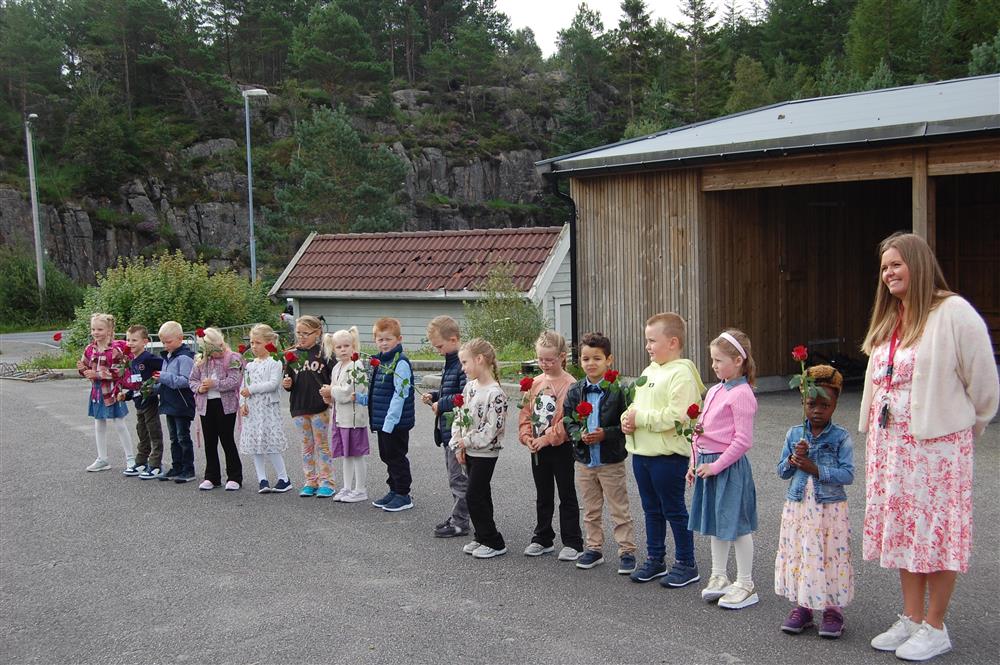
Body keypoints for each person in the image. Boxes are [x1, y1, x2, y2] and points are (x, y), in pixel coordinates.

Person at [860, 232, 998, 661]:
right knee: (906, 532)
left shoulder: (953, 312)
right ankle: (911, 618)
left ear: (918, 265)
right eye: (884, 268)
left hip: (937, 451)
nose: (889, 273)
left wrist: (959, 429)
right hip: (892, 449)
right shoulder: (892, 318)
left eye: (896, 264)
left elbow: (984, 386)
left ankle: (935, 625)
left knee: (936, 535)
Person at [622, 312, 705, 586]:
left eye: (651, 341)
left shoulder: (682, 374)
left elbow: (676, 415)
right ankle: (656, 559)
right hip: (642, 454)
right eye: (647, 340)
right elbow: (638, 403)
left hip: (668, 456)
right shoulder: (649, 370)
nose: (647, 346)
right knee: (651, 509)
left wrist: (640, 419)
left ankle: (686, 563)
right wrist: (628, 417)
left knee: (674, 509)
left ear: (672, 342)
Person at [775, 365, 854, 638]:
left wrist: (815, 469)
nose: (817, 410)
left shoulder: (841, 437)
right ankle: (804, 607)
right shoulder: (794, 434)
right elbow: (782, 472)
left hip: (830, 509)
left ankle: (833, 610)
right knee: (803, 553)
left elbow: (848, 474)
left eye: (825, 405)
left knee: (829, 554)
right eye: (811, 404)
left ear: (835, 406)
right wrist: (792, 460)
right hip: (799, 506)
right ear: (802, 402)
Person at [688, 328, 760, 608]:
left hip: (727, 467)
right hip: (709, 465)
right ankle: (719, 576)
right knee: (717, 524)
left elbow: (742, 441)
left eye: (719, 360)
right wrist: (694, 462)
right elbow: (700, 431)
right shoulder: (716, 389)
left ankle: (745, 582)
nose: (714, 365)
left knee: (738, 526)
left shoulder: (742, 393)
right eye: (713, 360)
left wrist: (716, 466)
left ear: (738, 361)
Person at [562, 332, 636, 574]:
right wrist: (578, 435)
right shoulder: (575, 391)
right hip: (585, 461)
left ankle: (627, 550)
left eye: (597, 358)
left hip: (610, 460)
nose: (590, 363)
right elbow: (568, 420)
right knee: (591, 509)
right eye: (585, 359)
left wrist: (607, 434)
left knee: (619, 508)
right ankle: (593, 548)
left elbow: (625, 425)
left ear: (609, 360)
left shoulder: (618, 391)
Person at [518, 330, 584, 562]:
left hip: (560, 447)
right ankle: (542, 537)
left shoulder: (570, 385)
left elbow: (568, 420)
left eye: (550, 359)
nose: (544, 364)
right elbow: (526, 413)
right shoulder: (535, 383)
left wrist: (547, 438)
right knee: (543, 494)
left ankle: (573, 541)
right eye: (540, 359)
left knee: (566, 494)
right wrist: (527, 436)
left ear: (562, 357)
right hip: (538, 447)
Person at [452, 338, 509, 559]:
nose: (463, 368)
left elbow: (491, 430)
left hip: (486, 452)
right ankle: (482, 536)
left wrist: (466, 441)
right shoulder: (471, 387)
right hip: (469, 450)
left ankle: (494, 541)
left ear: (480, 359)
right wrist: (458, 442)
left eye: (465, 362)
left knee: (473, 494)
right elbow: (460, 416)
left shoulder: (496, 394)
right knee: (482, 494)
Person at [359, 317, 416, 512]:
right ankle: (393, 489)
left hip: (395, 422)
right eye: (380, 339)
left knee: (396, 456)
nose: (384, 343)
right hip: (383, 420)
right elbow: (378, 392)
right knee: (387, 456)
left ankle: (403, 494)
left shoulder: (400, 363)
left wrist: (389, 422)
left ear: (398, 339)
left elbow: (400, 395)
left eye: (388, 339)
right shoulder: (379, 362)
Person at [423, 315, 469, 537]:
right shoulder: (451, 363)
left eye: (440, 346)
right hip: (447, 430)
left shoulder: (462, 365)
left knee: (458, 478)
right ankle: (457, 515)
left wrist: (441, 404)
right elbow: (450, 392)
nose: (438, 350)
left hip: (457, 430)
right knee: (454, 477)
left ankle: (461, 521)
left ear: (453, 339)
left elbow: (464, 396)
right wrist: (434, 396)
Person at [282, 315, 335, 498]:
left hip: (319, 407)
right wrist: (286, 384)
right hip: (299, 406)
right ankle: (310, 481)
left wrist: (331, 391)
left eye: (306, 333)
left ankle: (326, 482)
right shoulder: (291, 354)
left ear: (317, 332)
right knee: (306, 446)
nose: (302, 337)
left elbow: (333, 377)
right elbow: (288, 380)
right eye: (298, 333)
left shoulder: (325, 352)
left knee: (322, 445)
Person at [77, 313, 134, 473]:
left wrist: (97, 374)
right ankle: (102, 459)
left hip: (113, 391)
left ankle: (130, 458)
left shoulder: (115, 350)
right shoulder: (90, 348)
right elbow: (86, 367)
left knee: (119, 423)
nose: (96, 332)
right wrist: (83, 370)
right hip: (97, 392)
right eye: (93, 329)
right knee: (99, 423)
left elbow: (120, 371)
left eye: (100, 329)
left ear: (109, 330)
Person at [189, 327, 244, 491]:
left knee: (227, 439)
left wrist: (216, 384)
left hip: (225, 405)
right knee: (209, 441)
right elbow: (191, 380)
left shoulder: (233, 357)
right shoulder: (200, 360)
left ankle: (234, 476)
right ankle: (212, 476)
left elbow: (235, 380)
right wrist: (200, 388)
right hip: (205, 405)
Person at [239, 324, 292, 494]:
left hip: (268, 409)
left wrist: (252, 390)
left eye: (258, 343)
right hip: (253, 409)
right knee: (256, 444)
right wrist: (242, 403)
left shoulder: (274, 362)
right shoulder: (250, 365)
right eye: (252, 343)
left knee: (271, 443)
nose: (254, 346)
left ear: (269, 343)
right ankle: (262, 478)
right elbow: (244, 385)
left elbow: (273, 383)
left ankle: (283, 478)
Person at [320, 326, 370, 503]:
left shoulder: (356, 365)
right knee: (346, 454)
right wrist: (329, 396)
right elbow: (337, 392)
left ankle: (360, 489)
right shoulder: (337, 367)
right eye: (339, 347)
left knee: (356, 454)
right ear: (333, 349)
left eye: (346, 346)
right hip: (340, 417)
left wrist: (331, 391)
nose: (343, 350)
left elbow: (349, 391)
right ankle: (347, 487)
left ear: (353, 346)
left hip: (354, 418)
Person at [118, 325, 164, 479]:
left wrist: (156, 385)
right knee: (142, 432)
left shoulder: (149, 358)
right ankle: (141, 461)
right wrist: (127, 395)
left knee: (154, 432)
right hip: (139, 402)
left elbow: (165, 367)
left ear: (145, 342)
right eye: (128, 340)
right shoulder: (132, 362)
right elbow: (136, 384)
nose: (130, 343)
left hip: (149, 401)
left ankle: (156, 464)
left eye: (134, 340)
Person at [155, 321, 196, 483]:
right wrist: (154, 387)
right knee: (173, 437)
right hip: (169, 402)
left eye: (168, 342)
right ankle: (176, 466)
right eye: (163, 342)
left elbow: (185, 381)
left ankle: (188, 469)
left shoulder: (184, 358)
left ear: (180, 338)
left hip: (182, 403)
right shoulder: (167, 356)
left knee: (182, 437)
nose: (165, 345)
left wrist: (163, 377)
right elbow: (166, 380)